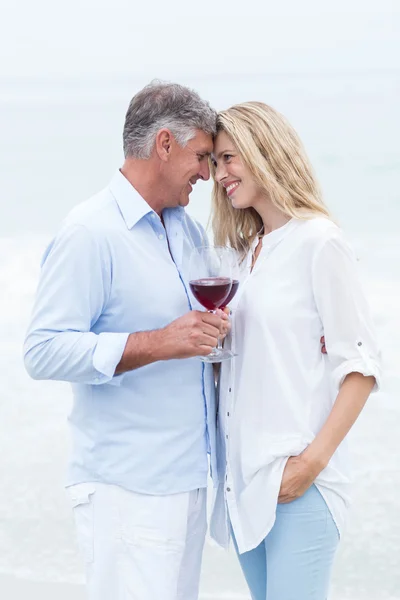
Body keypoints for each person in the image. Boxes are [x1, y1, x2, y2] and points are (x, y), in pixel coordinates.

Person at [23, 81, 230, 600]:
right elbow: (43, 349)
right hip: (126, 490)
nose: (207, 174)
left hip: (187, 480)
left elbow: (201, 339)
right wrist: (160, 342)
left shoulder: (187, 232)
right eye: (201, 156)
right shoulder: (90, 233)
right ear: (165, 144)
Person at [209, 101, 381, 600]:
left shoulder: (318, 242)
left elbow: (361, 367)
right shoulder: (244, 257)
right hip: (243, 485)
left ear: (266, 151)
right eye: (217, 161)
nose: (221, 173)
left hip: (299, 484)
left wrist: (311, 464)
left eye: (230, 157)